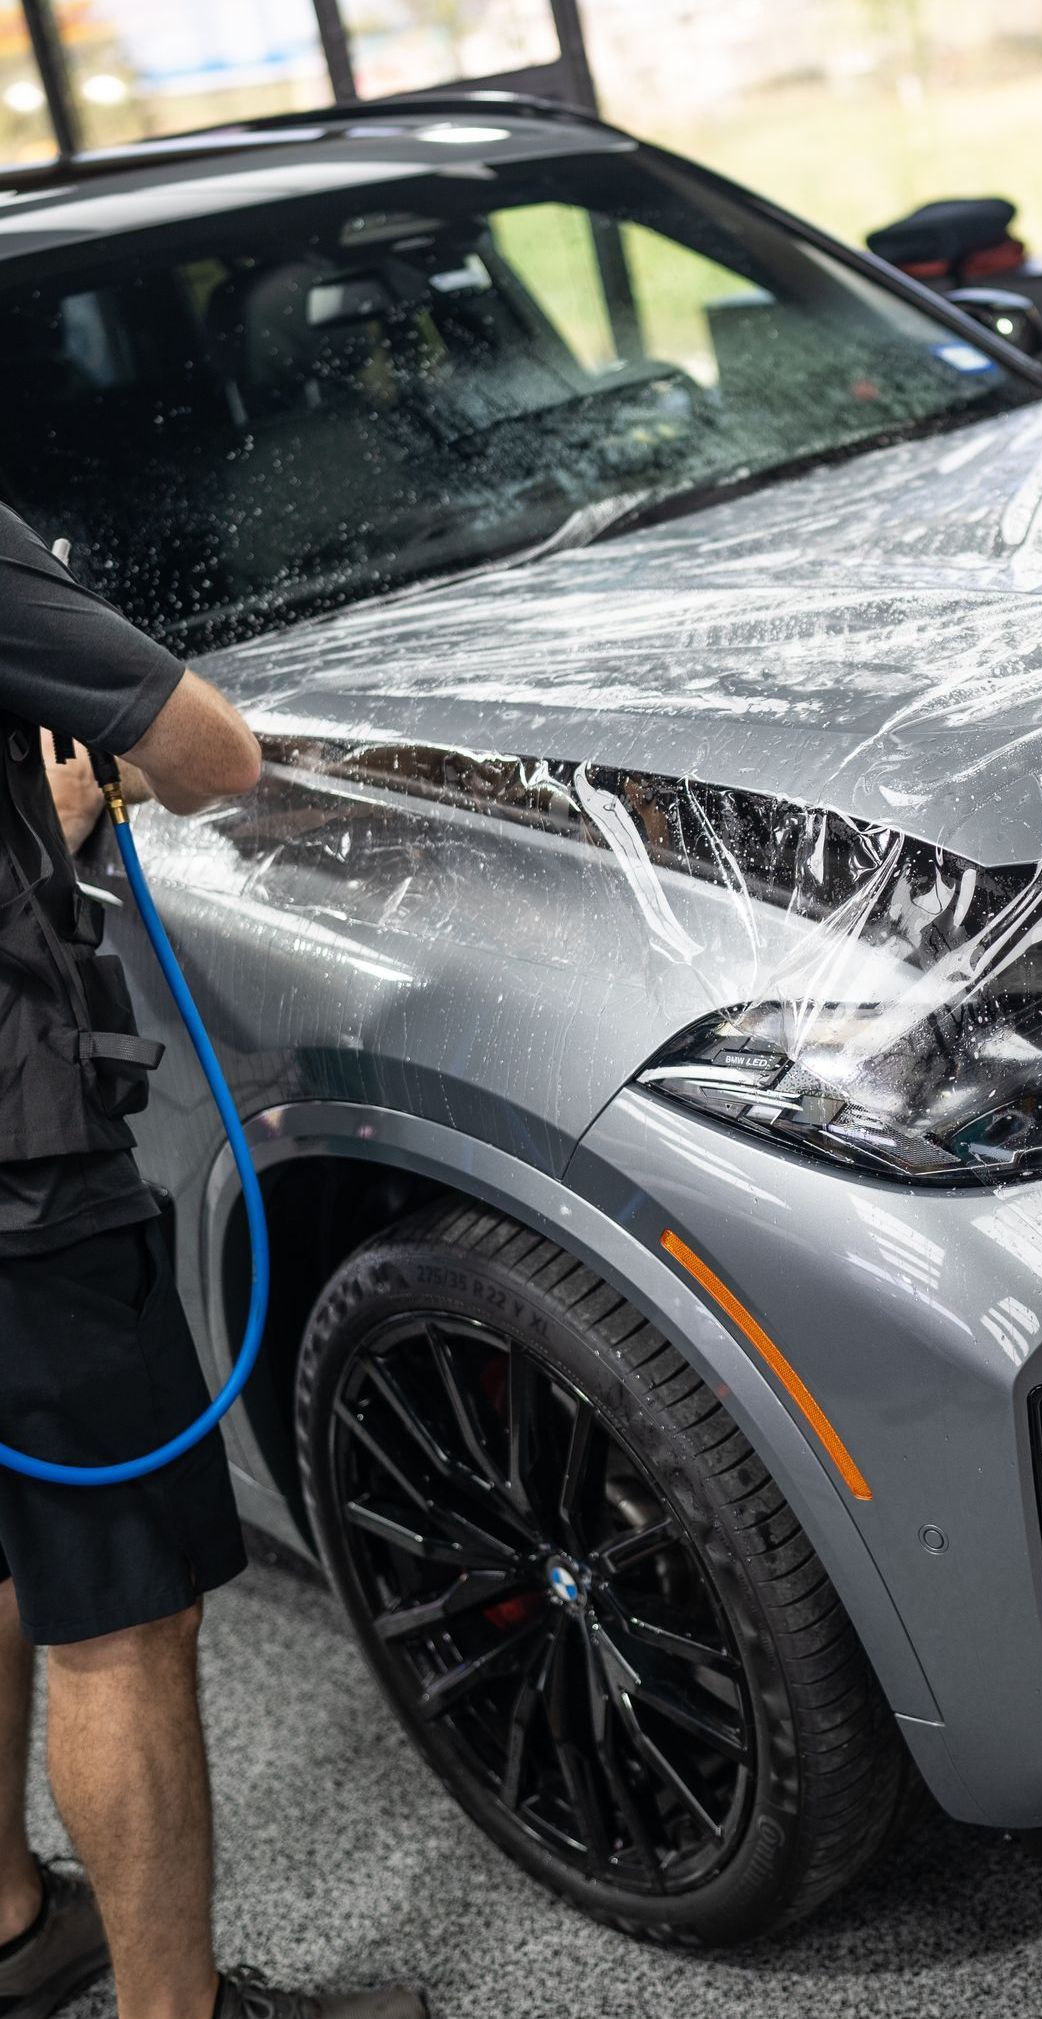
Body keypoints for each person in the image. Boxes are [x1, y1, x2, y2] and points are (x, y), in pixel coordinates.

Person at [0, 505, 424, 2019]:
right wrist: (92, 781)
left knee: (3, 1553)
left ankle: (8, 1931)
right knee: (122, 1619)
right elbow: (213, 759)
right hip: (18, 1196)